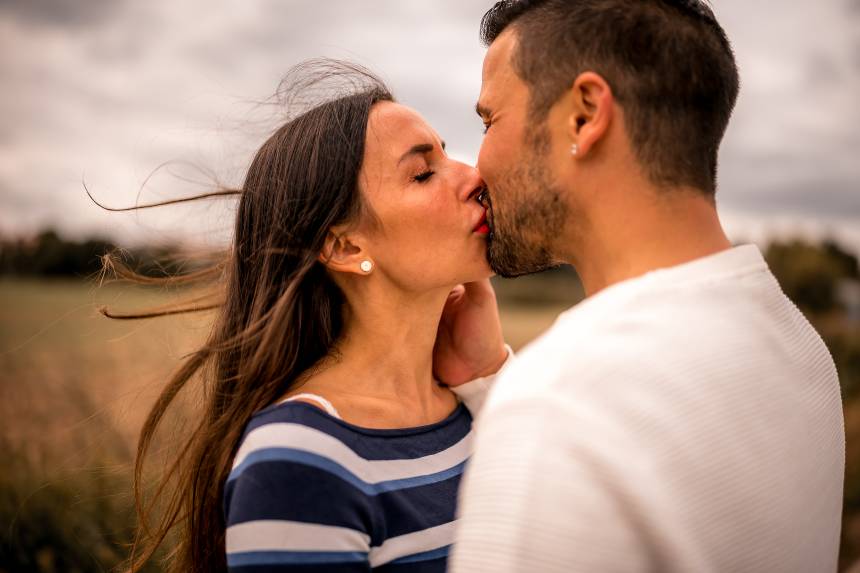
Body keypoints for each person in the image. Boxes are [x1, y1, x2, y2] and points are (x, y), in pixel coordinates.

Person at [451, 1, 845, 572]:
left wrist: (519, 412)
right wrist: (489, 381)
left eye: (489, 122)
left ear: (585, 116)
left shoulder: (559, 406)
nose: (475, 167)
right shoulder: (800, 346)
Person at [109, 62, 509, 573]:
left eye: (447, 155)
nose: (474, 176)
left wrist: (488, 375)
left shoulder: (474, 409)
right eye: (423, 173)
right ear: (345, 246)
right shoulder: (299, 460)